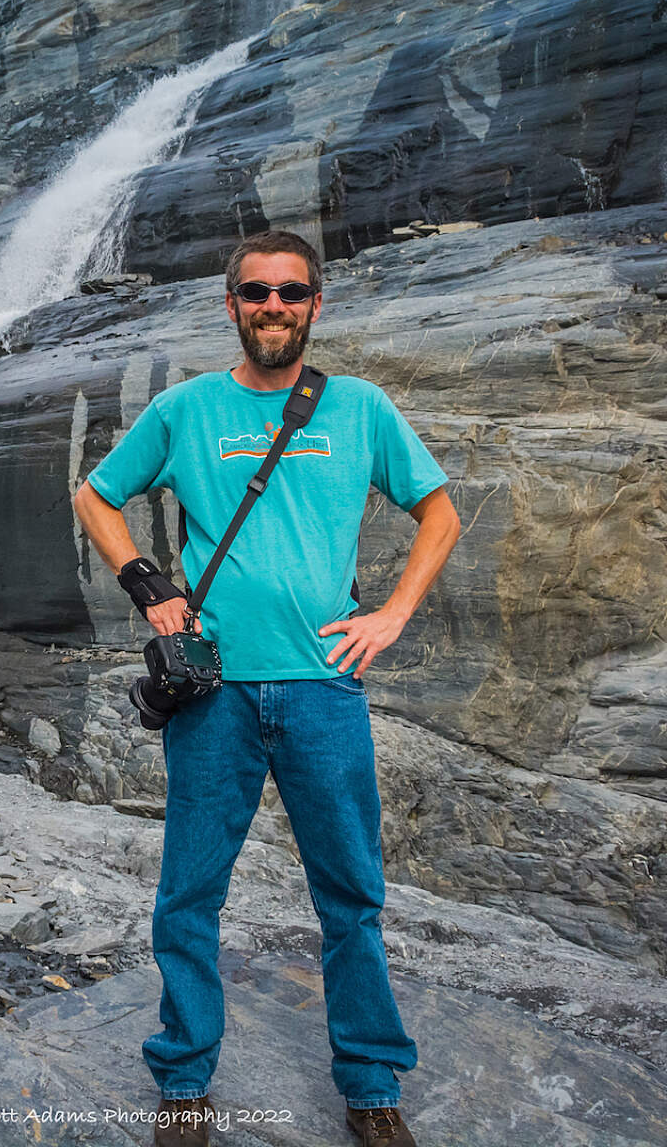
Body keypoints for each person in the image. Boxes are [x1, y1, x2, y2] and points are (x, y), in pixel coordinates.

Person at [71, 229, 461, 1147]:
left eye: (291, 293)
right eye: (257, 293)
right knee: (189, 893)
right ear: (232, 305)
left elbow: (439, 510)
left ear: (315, 305)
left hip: (326, 688)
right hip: (215, 694)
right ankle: (183, 1082)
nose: (274, 307)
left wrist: (393, 614)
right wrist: (147, 587)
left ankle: (371, 1088)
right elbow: (97, 495)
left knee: (351, 897)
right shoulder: (186, 409)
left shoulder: (359, 408)